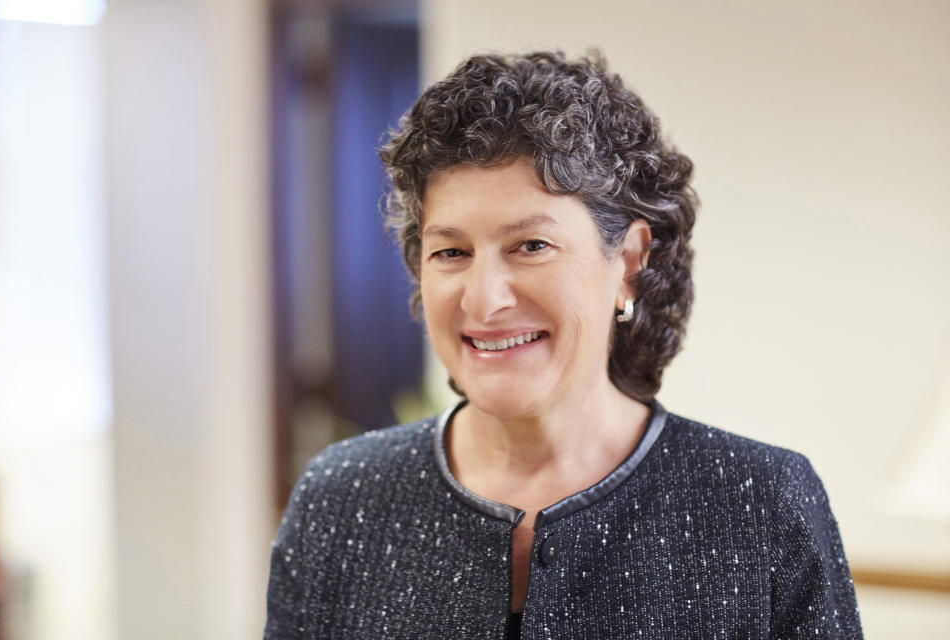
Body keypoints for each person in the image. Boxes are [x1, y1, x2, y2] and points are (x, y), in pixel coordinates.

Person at [263, 50, 863, 639]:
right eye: (452, 251)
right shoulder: (341, 499)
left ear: (628, 262)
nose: (483, 299)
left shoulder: (759, 503)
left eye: (531, 246)